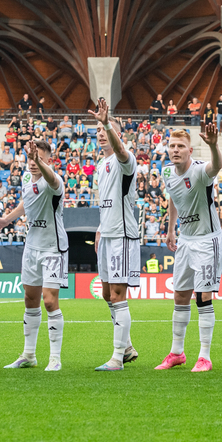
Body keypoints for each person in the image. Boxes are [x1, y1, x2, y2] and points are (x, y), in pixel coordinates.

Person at [0, 140, 68, 371]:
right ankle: (28, 355)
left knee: (50, 301)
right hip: (32, 247)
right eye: (30, 158)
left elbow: (52, 180)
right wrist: (6, 220)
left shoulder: (55, 180)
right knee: (30, 299)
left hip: (53, 248)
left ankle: (55, 358)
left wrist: (38, 160)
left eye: (39, 158)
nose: (33, 162)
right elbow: (26, 203)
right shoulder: (27, 179)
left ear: (49, 160)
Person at [157, 124, 222, 372]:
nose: (175, 150)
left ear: (190, 150)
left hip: (207, 240)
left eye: (180, 146)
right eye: (172, 146)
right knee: (180, 295)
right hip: (185, 240)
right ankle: (177, 353)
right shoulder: (167, 172)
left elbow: (216, 166)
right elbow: (174, 198)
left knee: (203, 297)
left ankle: (204, 356)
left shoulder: (199, 171)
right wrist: (171, 229)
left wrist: (214, 145)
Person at [90, 98, 140, 371]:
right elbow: (105, 202)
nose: (101, 133)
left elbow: (120, 149)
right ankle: (128, 347)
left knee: (119, 295)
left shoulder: (125, 159)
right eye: (98, 130)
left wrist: (107, 124)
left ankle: (117, 357)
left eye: (105, 129)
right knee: (108, 294)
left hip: (122, 235)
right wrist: (100, 229)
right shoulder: (101, 165)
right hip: (108, 234)